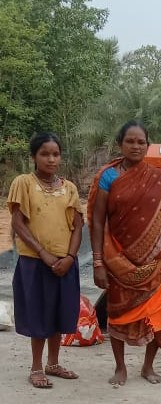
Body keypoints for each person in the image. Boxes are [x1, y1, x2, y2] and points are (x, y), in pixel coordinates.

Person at [88, 120, 161, 386]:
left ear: (147, 145)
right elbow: (98, 221)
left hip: (156, 260)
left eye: (141, 142)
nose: (136, 146)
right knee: (118, 313)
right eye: (130, 141)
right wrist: (98, 262)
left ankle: (148, 367)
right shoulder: (108, 176)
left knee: (156, 314)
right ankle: (120, 367)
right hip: (118, 259)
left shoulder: (158, 178)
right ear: (120, 144)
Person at [8, 132, 84, 388]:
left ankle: (53, 363)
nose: (51, 159)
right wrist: (44, 253)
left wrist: (70, 257)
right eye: (45, 154)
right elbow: (18, 223)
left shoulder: (69, 188)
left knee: (59, 313)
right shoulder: (24, 183)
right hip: (35, 262)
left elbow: (78, 226)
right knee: (39, 314)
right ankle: (36, 367)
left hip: (65, 263)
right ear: (34, 157)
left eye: (55, 154)